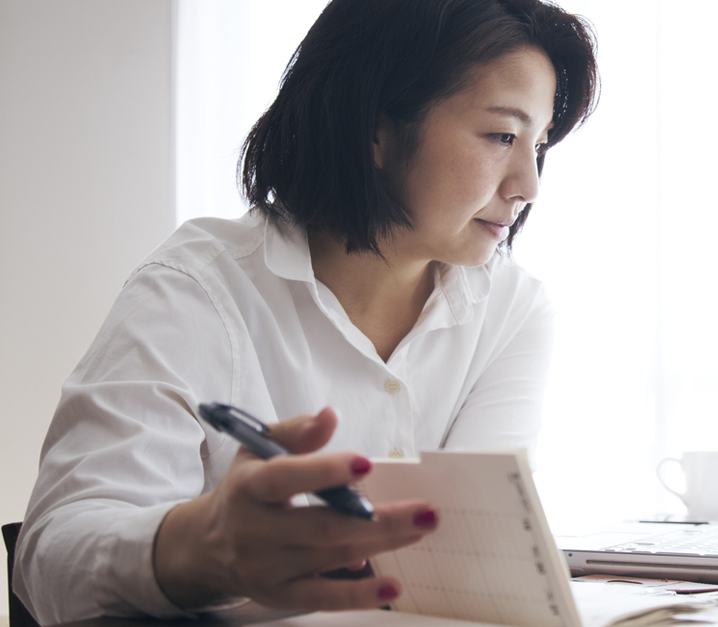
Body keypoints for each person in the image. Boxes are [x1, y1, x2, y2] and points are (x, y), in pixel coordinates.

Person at [12, 0, 598, 623]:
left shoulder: (511, 309)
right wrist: (202, 547)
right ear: (375, 128)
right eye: (502, 136)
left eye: (537, 146)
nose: (528, 185)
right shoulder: (196, 290)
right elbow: (50, 559)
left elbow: (476, 569)